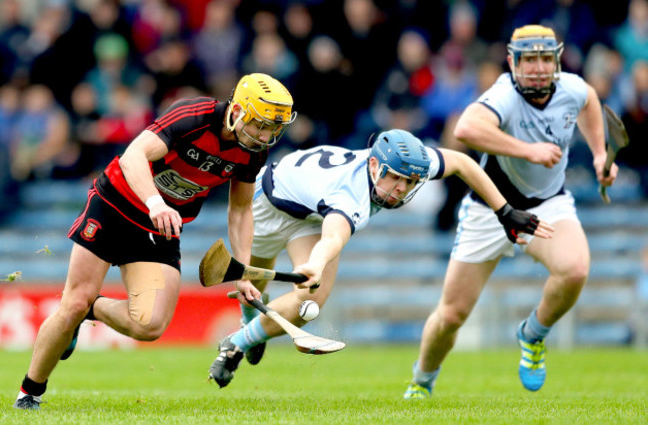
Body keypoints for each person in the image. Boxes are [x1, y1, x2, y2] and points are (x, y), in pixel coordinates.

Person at [13, 73, 296, 410]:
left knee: (149, 325)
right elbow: (134, 155)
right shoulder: (193, 116)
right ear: (236, 111)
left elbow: (240, 209)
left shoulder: (252, 153)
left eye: (272, 129)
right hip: (115, 207)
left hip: (158, 229)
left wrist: (245, 269)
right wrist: (155, 201)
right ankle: (30, 393)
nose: (264, 136)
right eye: (258, 124)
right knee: (72, 302)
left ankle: (91, 308)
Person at [208, 128, 553, 389]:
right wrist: (315, 263)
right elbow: (333, 237)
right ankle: (249, 317)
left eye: (410, 182)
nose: (401, 189)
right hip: (270, 203)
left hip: (314, 214)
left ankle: (235, 345)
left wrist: (505, 211)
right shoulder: (351, 195)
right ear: (375, 165)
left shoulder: (408, 161)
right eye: (396, 179)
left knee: (309, 301)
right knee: (255, 278)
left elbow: (462, 163)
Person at [403, 25, 618, 399]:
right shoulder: (504, 94)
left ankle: (532, 335)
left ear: (556, 60)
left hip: (548, 203)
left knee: (575, 269)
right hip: (492, 208)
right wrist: (527, 149)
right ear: (512, 62)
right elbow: (467, 129)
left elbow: (590, 102)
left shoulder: (572, 87)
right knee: (451, 315)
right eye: (528, 59)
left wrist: (600, 154)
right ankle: (422, 379)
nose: (536, 67)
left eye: (544, 58)